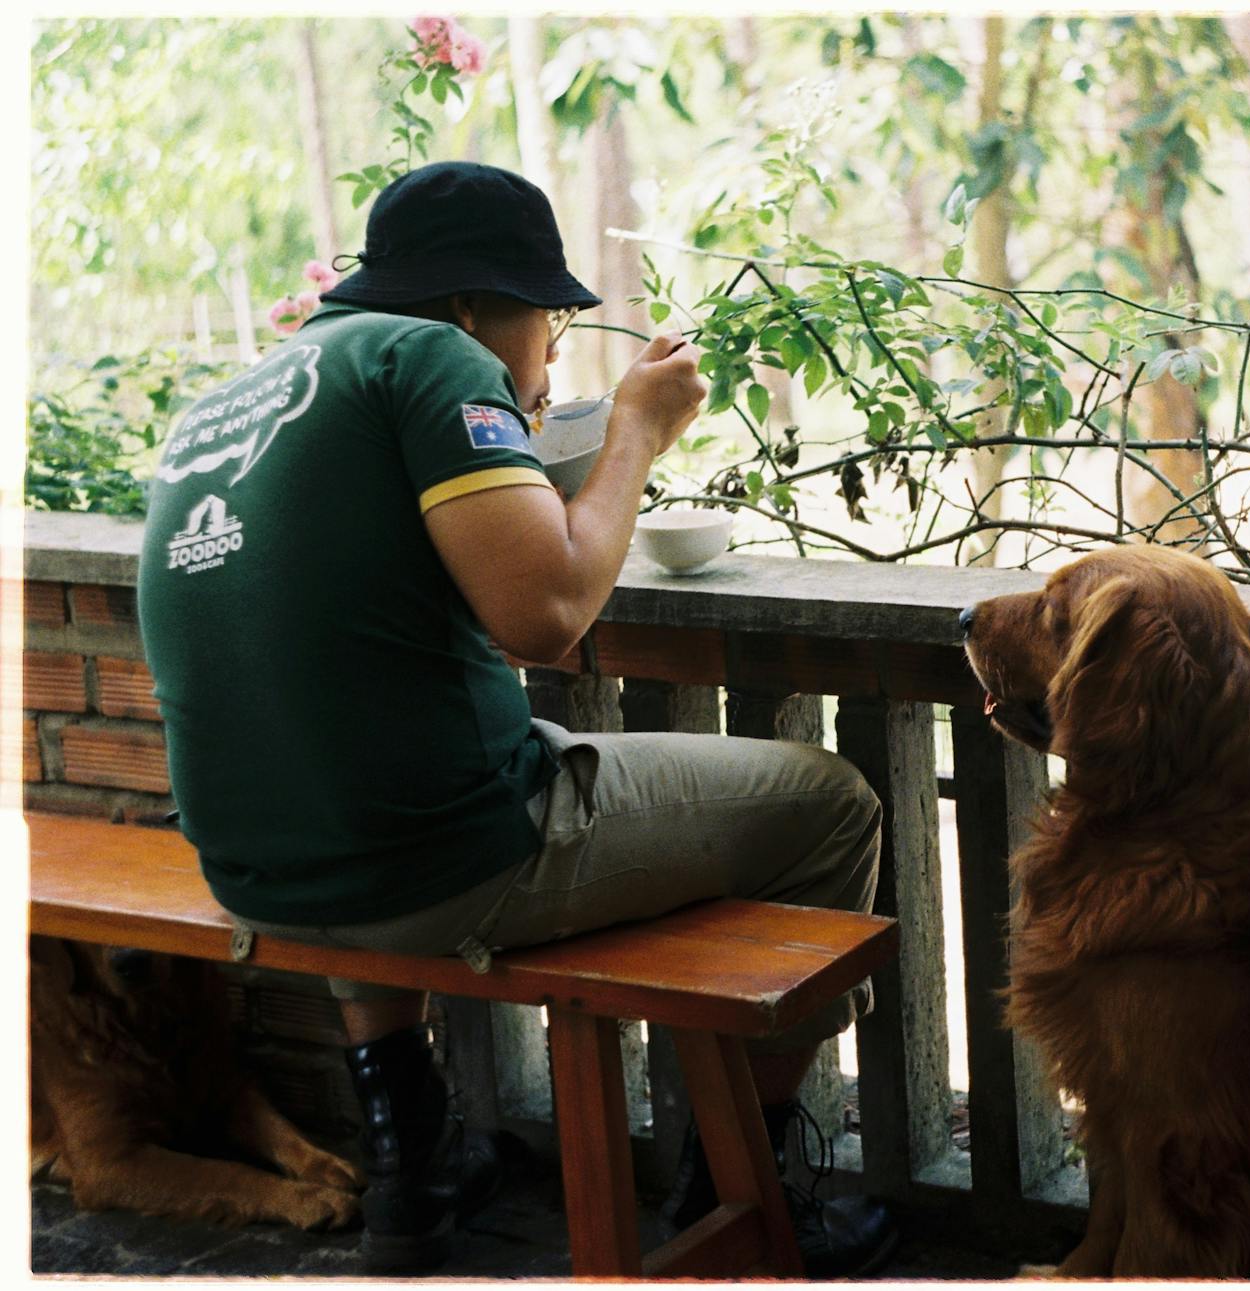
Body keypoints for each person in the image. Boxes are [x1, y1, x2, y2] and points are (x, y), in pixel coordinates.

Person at [135, 161, 897, 1277]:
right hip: (444, 861)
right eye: (549, 317)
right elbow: (545, 616)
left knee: (368, 774)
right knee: (833, 806)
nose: (551, 347)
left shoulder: (246, 396)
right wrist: (635, 430)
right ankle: (743, 1192)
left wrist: (529, 433)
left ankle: (413, 1161)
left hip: (254, 863)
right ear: (471, 306)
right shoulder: (440, 358)